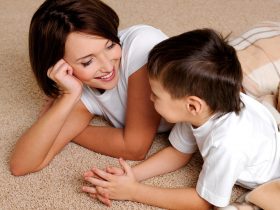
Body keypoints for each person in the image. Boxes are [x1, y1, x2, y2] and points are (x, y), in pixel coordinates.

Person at [82, 28, 280, 209]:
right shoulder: (205, 106)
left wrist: (134, 192)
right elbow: (178, 153)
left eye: (156, 94)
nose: (149, 98)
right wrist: (132, 175)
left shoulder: (227, 144)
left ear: (193, 105)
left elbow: (203, 202)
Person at [9, 0, 171, 176]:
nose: (107, 66)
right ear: (60, 66)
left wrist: (63, 125)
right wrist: (67, 98)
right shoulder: (79, 86)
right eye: (87, 61)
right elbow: (21, 165)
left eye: (109, 45)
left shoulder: (142, 49)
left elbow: (135, 147)